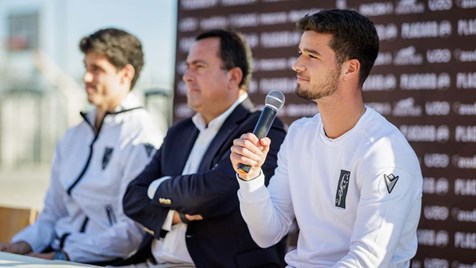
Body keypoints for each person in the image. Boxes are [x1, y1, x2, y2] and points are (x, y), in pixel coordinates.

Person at [230, 9, 423, 267]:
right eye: (301, 53)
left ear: (350, 69)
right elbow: (266, 233)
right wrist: (250, 177)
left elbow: (366, 262)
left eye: (312, 56)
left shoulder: (385, 152)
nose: (297, 64)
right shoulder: (299, 135)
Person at [120, 29, 287, 267]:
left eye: (199, 67)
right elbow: (132, 197)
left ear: (233, 76)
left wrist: (157, 188)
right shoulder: (179, 131)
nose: (187, 76)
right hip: (150, 262)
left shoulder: (261, 129)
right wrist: (175, 216)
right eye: (187, 67)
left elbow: (214, 193)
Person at [0, 28, 163, 265]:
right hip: (56, 254)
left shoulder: (141, 135)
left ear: (125, 74)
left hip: (100, 261)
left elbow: (132, 231)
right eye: (86, 67)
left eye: (97, 69)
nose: (86, 77)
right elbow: (52, 214)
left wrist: (62, 257)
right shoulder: (74, 135)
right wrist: (20, 245)